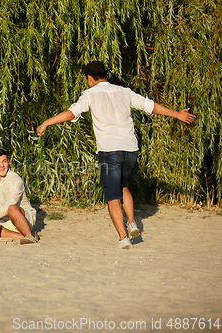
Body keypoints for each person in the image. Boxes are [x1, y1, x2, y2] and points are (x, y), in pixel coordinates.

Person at [37, 60, 196, 249]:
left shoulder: (90, 94)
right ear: (105, 75)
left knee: (112, 195)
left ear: (89, 78)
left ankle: (123, 238)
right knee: (124, 186)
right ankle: (131, 222)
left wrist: (46, 122)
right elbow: (150, 106)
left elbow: (71, 113)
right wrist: (177, 114)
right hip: (130, 149)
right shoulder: (124, 91)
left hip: (109, 150)